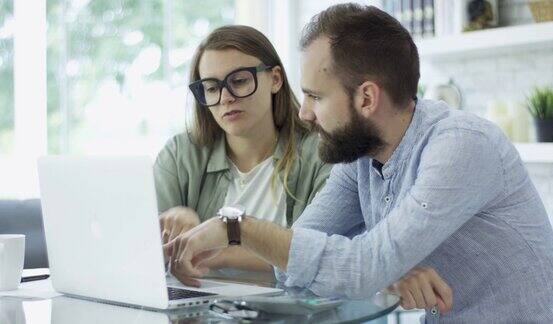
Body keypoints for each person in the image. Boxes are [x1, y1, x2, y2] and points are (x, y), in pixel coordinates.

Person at [155, 25, 453, 313]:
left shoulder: (325, 151)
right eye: (211, 87)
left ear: (275, 79)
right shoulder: (181, 155)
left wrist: (210, 242)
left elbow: (321, 254)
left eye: (240, 80)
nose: (226, 97)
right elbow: (147, 250)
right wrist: (169, 226)